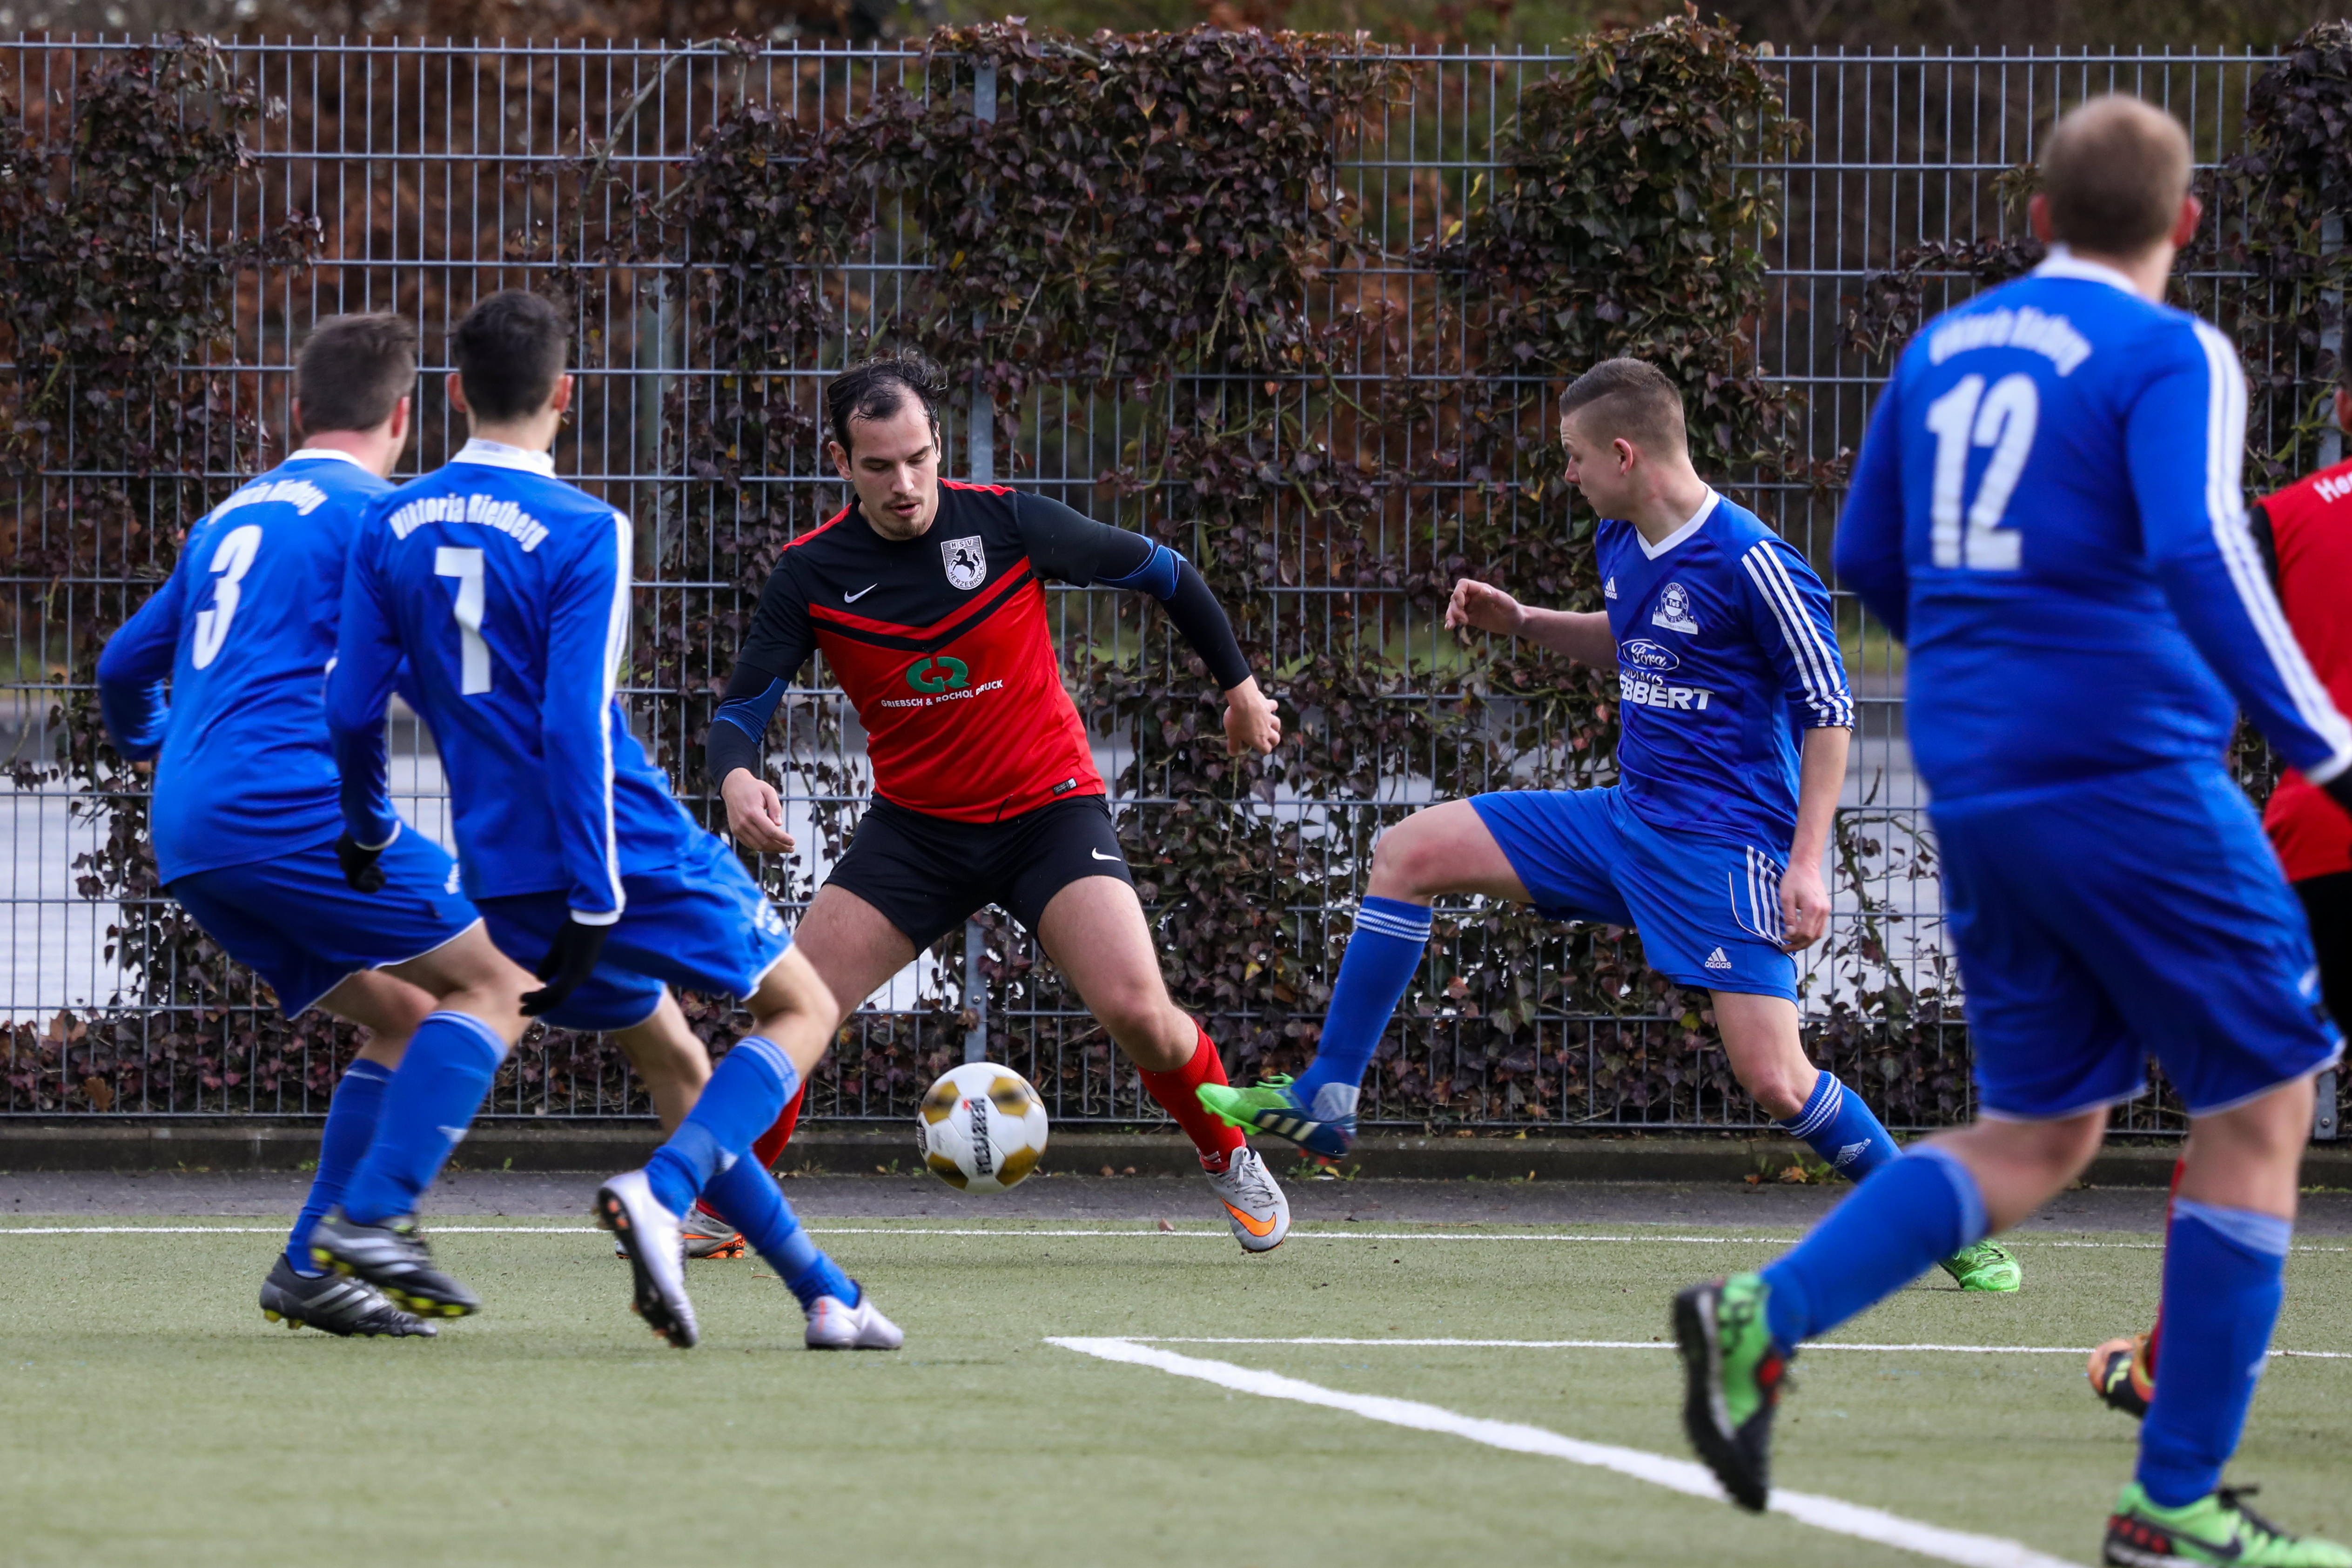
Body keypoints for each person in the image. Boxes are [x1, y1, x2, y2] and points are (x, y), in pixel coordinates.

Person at [1676, 96, 2352, 1566]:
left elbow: (1865, 551)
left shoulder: (1941, 348)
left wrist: (1985, 668)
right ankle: (2172, 1505)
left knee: (2039, 1133)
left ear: (2037, 218)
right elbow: (2198, 550)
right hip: (2129, 773)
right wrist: (2325, 749)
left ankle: (1763, 1314)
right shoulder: (2172, 351)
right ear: (2182, 226)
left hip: (1978, 783)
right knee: (2262, 1104)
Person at [1195, 356, 2017, 1292]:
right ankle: (1328, 1094)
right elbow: (1631, 636)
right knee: (1407, 851)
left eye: (1575, 455)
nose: (1569, 472)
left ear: (1624, 455)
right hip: (1622, 823)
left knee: (1777, 1079)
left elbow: (1830, 712)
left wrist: (1806, 864)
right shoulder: (1620, 540)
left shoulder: (1755, 562)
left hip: (1722, 852)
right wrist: (1524, 621)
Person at [324, 290, 891, 1351]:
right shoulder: (586, 528)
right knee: (803, 1006)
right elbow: (573, 721)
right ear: (566, 395)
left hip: (500, 867)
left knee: (674, 1056)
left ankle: (828, 1294)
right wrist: (598, 893)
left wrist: (364, 829)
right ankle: (662, 1192)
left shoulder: (387, 523)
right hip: (620, 847)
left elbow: (351, 706)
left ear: (454, 393)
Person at [704, 350, 1294, 1252]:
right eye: (879, 466)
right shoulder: (810, 573)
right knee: (794, 1009)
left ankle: (1227, 1151)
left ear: (938, 443)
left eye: (918, 458)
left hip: (1047, 814)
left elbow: (1165, 571)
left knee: (1141, 1013)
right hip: (916, 832)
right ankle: (726, 1207)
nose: (905, 484)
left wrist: (1240, 688)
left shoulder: (1009, 523)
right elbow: (742, 711)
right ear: (840, 462)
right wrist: (737, 777)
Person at [93, 314, 558, 1338]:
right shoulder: (382, 517)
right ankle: (375, 1222)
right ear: (405, 416)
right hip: (287, 811)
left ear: (297, 410)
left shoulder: (228, 516)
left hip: (192, 831)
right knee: (508, 977)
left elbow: (122, 666)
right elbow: (450, 681)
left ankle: (310, 1267)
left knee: (408, 1009)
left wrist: (159, 749)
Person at [2090, 371, 2352, 1424]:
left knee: (2244, 1112)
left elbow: (2195, 674)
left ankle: (2168, 1365)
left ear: (2342, 403)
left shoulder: (2285, 519)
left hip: (2321, 842)